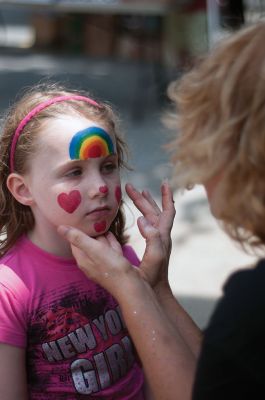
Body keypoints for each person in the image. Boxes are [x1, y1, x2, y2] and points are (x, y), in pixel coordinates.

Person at [58, 21, 265, 400]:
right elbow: (228, 375)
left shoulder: (253, 307)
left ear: (243, 157)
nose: (199, 176)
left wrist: (130, 288)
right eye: (73, 172)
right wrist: (156, 288)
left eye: (207, 149)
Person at [0, 83, 157, 399]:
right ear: (23, 189)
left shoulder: (122, 259)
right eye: (74, 172)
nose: (100, 186)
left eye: (108, 167)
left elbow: (156, 365)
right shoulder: (9, 290)